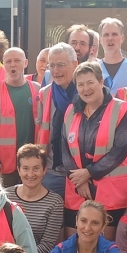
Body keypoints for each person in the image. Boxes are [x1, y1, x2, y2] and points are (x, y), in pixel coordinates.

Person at [62, 62, 127, 240]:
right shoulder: (71, 110)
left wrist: (89, 173)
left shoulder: (123, 109)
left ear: (101, 81)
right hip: (77, 188)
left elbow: (120, 150)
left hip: (111, 191)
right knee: (75, 245)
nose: (85, 88)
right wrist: (79, 180)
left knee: (106, 248)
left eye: (90, 82)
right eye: (80, 84)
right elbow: (64, 148)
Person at [0, 47, 40, 187]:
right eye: (8, 61)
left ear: (25, 63)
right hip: (3, 163)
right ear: (3, 64)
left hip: (32, 162)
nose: (13, 64)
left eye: (17, 61)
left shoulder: (38, 90)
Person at [5, 144, 63, 253]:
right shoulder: (5, 196)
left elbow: (47, 246)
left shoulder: (55, 202)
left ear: (44, 170)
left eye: (36, 168)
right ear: (18, 170)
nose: (31, 174)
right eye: (25, 168)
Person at [35, 42, 78, 199]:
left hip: (80, 172)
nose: (55, 71)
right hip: (52, 170)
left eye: (61, 65)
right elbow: (40, 131)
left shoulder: (86, 93)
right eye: (51, 65)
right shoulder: (45, 94)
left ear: (75, 64)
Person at [99, 18, 127, 94]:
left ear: (122, 38)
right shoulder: (94, 69)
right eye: (106, 35)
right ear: (101, 40)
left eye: (114, 34)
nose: (110, 38)